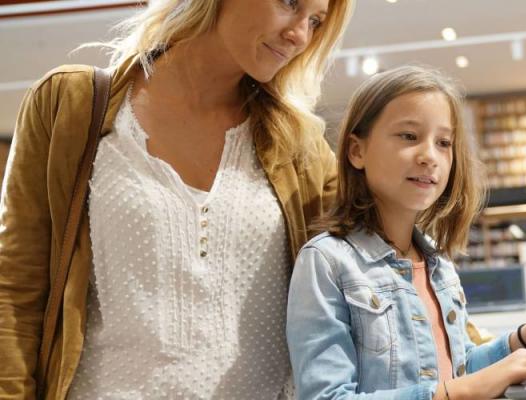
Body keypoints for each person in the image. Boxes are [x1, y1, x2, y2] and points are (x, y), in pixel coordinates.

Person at [0, 0, 353, 398]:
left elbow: (363, 262)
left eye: (316, 21)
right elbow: (16, 291)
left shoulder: (299, 148)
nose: (300, 34)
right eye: (290, 3)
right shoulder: (74, 104)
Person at [286, 65, 526, 400]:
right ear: (356, 151)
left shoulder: (437, 261)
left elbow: (458, 370)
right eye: (409, 136)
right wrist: (464, 389)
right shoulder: (327, 262)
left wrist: (521, 340)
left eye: (444, 142)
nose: (429, 157)